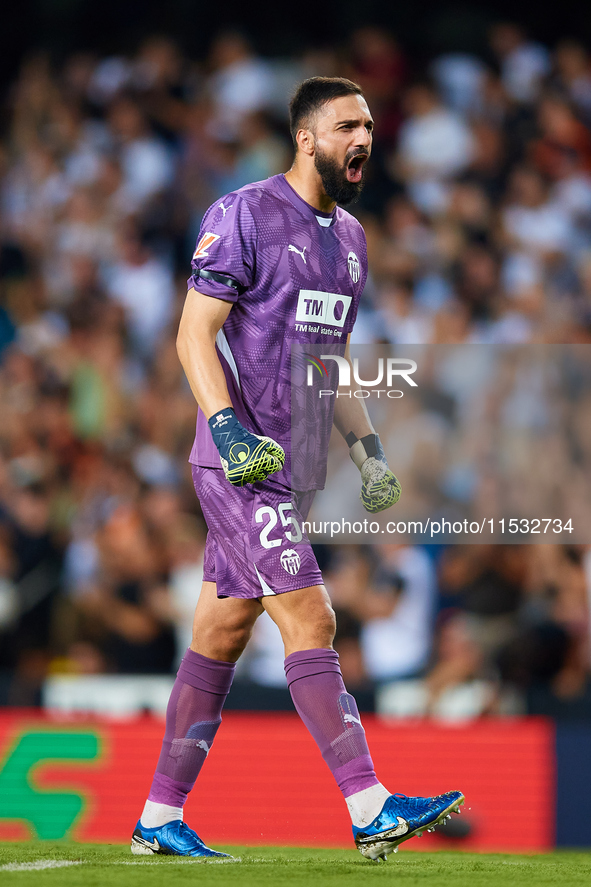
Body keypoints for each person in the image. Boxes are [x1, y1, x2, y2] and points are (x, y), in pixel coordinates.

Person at [131, 76, 463, 862]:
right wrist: (227, 428)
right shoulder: (242, 213)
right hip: (240, 461)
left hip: (299, 466)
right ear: (307, 137)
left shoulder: (350, 240)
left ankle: (155, 815)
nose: (365, 138)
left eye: (371, 126)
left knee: (220, 630)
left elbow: (330, 363)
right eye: (348, 125)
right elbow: (192, 333)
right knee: (311, 619)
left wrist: (368, 450)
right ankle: (371, 804)